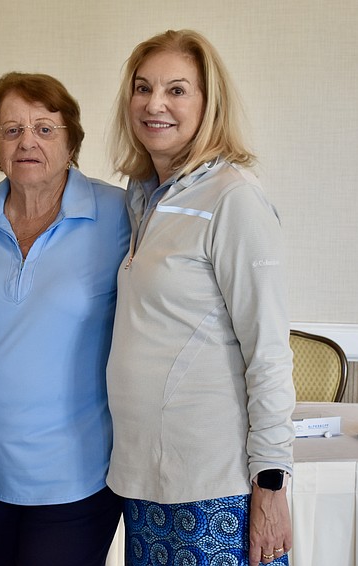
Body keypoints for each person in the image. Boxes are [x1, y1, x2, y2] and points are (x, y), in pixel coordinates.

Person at [106, 29, 295, 566]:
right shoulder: (141, 198)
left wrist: (272, 483)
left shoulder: (234, 198)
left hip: (218, 488)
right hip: (146, 482)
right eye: (142, 88)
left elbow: (269, 350)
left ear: (208, 104)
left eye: (177, 90)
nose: (154, 104)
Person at [0, 72, 130, 566]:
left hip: (78, 474)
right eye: (10, 130)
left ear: (72, 139)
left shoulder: (119, 213)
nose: (27, 141)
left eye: (44, 129)